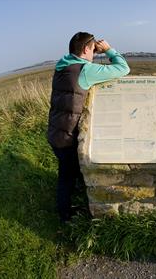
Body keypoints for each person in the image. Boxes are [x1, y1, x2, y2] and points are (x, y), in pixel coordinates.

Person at [47, 32, 130, 222]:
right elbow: (123, 68)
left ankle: (74, 196)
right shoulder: (85, 70)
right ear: (86, 49)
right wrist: (108, 50)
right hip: (66, 136)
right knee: (66, 177)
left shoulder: (63, 65)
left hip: (55, 130)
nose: (94, 53)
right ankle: (65, 214)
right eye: (93, 50)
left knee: (70, 170)